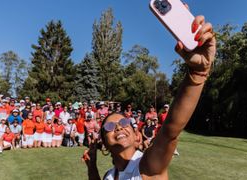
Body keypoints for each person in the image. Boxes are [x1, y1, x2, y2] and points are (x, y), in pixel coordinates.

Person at [82, 15, 216, 179]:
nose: (118, 128)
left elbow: (169, 132)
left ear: (137, 135)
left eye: (124, 122)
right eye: (109, 127)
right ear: (104, 145)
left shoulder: (147, 165)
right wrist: (92, 166)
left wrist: (198, 73)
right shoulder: (110, 176)